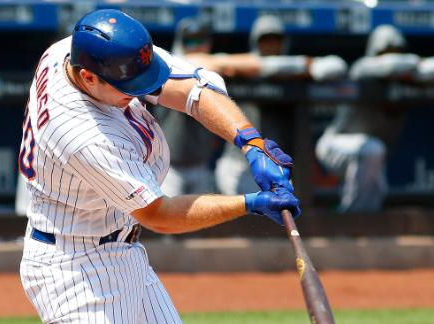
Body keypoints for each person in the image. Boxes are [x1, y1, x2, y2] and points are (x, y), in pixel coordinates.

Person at [17, 9, 300, 323]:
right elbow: (158, 214)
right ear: (88, 77)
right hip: (74, 268)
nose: (140, 92)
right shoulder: (84, 134)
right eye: (128, 86)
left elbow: (193, 90)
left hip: (119, 247)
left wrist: (251, 143)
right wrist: (250, 203)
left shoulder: (72, 51)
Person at [315, 25, 434, 212]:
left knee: (378, 192)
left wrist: (411, 69)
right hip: (335, 145)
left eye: (396, 51)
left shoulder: (410, 75)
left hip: (369, 152)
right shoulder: (363, 69)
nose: (392, 56)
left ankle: (355, 228)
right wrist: (412, 65)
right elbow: (388, 66)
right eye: (386, 52)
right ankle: (351, 221)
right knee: (372, 151)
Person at [214, 15, 348, 194]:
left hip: (273, 166)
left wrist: (303, 68)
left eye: (275, 40)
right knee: (240, 219)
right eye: (265, 40)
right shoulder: (241, 69)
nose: (270, 46)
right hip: (238, 164)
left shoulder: (294, 74)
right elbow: (213, 64)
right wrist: (266, 67)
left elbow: (336, 67)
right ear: (256, 43)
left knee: (273, 218)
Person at [155, 18, 221, 195]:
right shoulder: (167, 66)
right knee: (167, 220)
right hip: (169, 168)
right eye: (190, 40)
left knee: (204, 221)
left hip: (202, 165)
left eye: (201, 40)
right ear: (181, 43)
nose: (196, 46)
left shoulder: (215, 70)